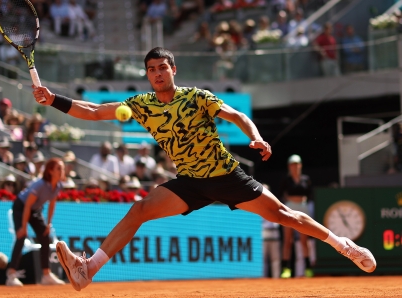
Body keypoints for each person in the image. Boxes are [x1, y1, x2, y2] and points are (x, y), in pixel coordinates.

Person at [32, 47, 376, 292]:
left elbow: (236, 116)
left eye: (162, 68)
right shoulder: (140, 106)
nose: (157, 74)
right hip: (190, 183)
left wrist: (256, 137)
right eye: (151, 69)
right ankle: (88, 270)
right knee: (139, 210)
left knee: (285, 215)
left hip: (225, 176)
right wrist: (54, 100)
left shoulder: (197, 97)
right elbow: (92, 111)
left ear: (173, 70)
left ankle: (344, 245)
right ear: (147, 74)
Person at [6, 158, 66, 287]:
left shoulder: (58, 185)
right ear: (50, 171)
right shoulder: (40, 185)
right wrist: (23, 226)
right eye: (59, 168)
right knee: (21, 236)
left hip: (34, 209)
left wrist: (49, 224)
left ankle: (46, 275)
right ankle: (11, 275)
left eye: (62, 168)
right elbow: (27, 205)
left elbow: (52, 205)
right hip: (21, 207)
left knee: (45, 237)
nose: (62, 171)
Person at [279, 154, 314, 278]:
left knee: (304, 241)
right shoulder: (286, 180)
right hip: (289, 207)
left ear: (300, 165)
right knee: (288, 240)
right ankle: (285, 269)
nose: (295, 167)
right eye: (292, 164)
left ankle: (308, 268)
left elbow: (310, 194)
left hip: (303, 208)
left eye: (297, 164)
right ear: (289, 166)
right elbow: (281, 195)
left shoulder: (306, 179)